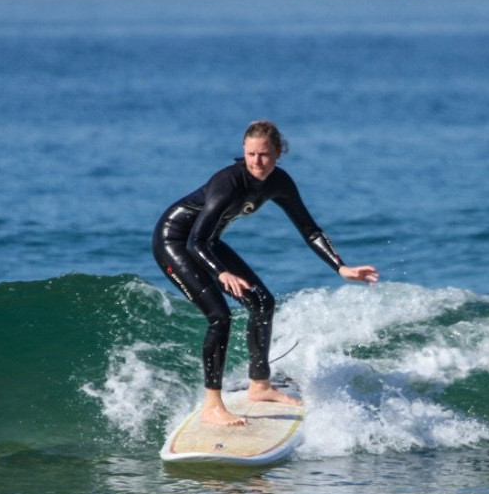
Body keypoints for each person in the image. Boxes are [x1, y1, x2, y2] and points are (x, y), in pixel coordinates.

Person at [152, 121, 379, 426]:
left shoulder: (279, 183)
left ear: (278, 153)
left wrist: (341, 267)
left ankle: (259, 385)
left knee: (262, 303)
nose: (257, 161)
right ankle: (212, 406)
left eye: (264, 154)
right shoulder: (227, 183)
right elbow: (195, 242)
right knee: (220, 316)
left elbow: (309, 230)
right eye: (250, 154)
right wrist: (221, 273)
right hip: (175, 242)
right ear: (243, 153)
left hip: (208, 243)